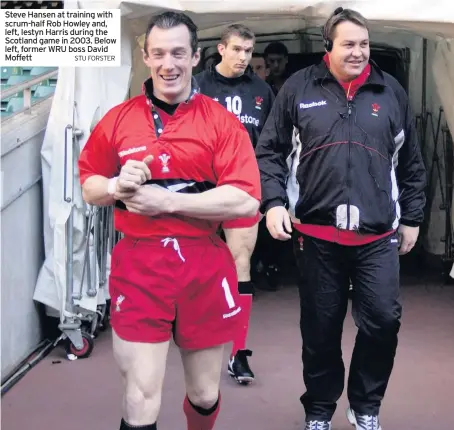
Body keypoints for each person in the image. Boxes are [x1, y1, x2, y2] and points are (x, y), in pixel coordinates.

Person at [78, 11, 261, 430]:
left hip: (203, 264)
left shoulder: (219, 121)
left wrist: (168, 203)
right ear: (145, 56)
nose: (168, 64)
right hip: (140, 266)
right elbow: (89, 184)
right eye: (158, 53)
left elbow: (246, 200)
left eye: (179, 53)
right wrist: (115, 187)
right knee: (141, 393)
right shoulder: (119, 119)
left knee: (204, 394)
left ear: (196, 57)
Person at [255, 7, 426, 430]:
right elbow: (270, 151)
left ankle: (365, 406)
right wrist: (274, 202)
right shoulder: (298, 88)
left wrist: (413, 216)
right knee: (320, 329)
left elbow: (411, 162)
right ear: (328, 48)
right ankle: (319, 409)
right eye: (349, 44)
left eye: (364, 44)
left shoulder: (391, 92)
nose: (358, 52)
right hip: (316, 234)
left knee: (384, 321)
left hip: (377, 234)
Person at [195, 23, 275, 385]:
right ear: (221, 49)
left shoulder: (262, 91)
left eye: (249, 51)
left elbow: (271, 144)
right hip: (200, 189)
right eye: (238, 50)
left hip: (244, 187)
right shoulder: (197, 85)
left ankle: (238, 353)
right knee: (198, 268)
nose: (244, 57)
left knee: (240, 264)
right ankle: (198, 340)